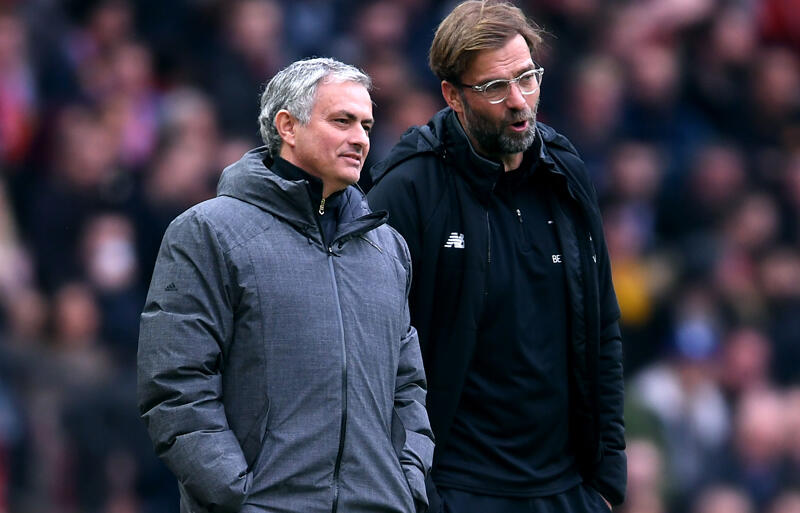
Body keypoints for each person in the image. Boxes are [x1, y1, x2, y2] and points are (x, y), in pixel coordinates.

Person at [138, 58, 433, 513]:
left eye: (367, 125)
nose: (360, 138)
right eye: (343, 121)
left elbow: (408, 387)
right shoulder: (207, 232)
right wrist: (241, 498)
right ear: (287, 126)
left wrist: (406, 483)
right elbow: (176, 387)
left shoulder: (389, 249)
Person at [368, 2, 625, 512]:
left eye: (527, 78)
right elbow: (374, 359)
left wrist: (607, 478)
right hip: (458, 489)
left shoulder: (565, 174)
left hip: (567, 491)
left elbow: (602, 327)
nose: (519, 101)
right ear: (453, 96)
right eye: (494, 87)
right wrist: (417, 493)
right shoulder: (407, 190)